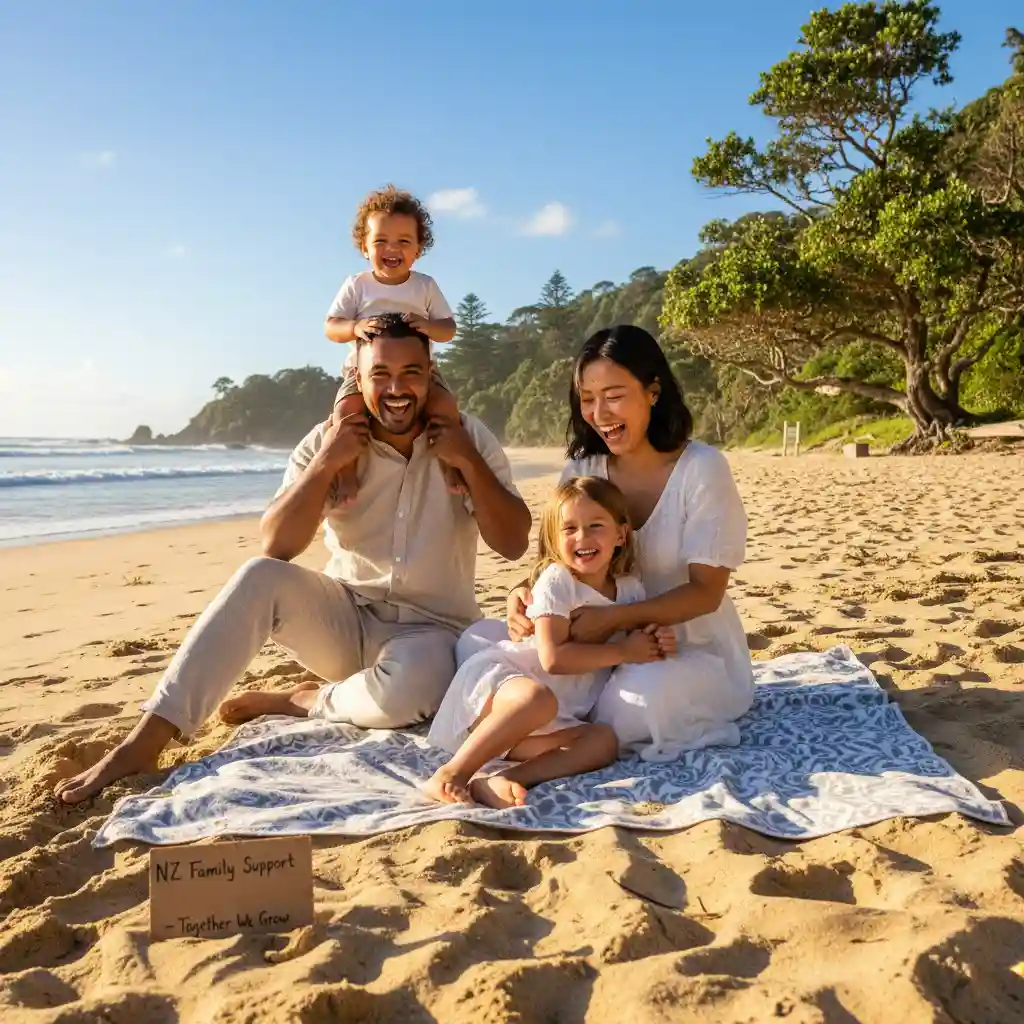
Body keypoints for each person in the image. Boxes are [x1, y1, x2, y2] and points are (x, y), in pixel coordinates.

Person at [55, 316, 531, 804]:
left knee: (415, 687)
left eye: (411, 373)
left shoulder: (468, 437)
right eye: (380, 374)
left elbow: (513, 542)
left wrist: (468, 461)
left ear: (431, 374)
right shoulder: (330, 439)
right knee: (259, 576)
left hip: (432, 633)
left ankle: (304, 701)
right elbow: (277, 546)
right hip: (345, 619)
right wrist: (328, 462)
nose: (396, 389)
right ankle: (144, 742)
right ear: (358, 378)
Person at [467, 324, 754, 762]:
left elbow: (706, 591)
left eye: (614, 395)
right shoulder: (584, 468)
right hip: (590, 650)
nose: (599, 413)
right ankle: (545, 729)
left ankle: (540, 734)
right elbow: (553, 562)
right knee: (473, 641)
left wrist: (613, 620)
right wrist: (521, 595)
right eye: (587, 399)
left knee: (633, 703)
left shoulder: (702, 469)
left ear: (653, 391)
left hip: (682, 650)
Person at [424, 476, 676, 809]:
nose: (582, 538)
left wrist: (656, 638)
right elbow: (553, 659)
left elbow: (635, 635)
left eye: (595, 526)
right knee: (536, 698)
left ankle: (505, 779)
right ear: (555, 540)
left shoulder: (630, 590)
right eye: (569, 529)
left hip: (542, 724)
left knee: (602, 741)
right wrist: (623, 651)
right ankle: (452, 774)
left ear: (620, 534)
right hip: (502, 690)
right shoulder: (558, 581)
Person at [324, 184, 463, 501]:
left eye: (404, 241)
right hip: (363, 375)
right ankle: (345, 474)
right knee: (345, 410)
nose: (392, 248)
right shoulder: (357, 286)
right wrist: (355, 326)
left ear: (418, 249)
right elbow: (331, 327)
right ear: (365, 247)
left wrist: (428, 326)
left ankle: (452, 464)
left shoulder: (425, 286)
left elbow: (448, 328)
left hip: (420, 373)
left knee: (445, 407)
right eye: (381, 241)